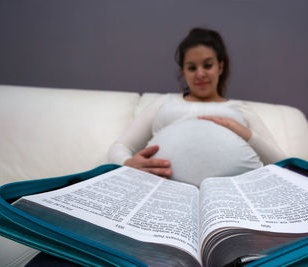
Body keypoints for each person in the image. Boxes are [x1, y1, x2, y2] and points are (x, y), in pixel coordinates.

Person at [108, 28, 287, 186]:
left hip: (235, 199)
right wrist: (127, 163)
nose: (200, 74)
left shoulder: (240, 108)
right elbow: (119, 147)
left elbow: (283, 163)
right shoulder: (165, 102)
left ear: (220, 67)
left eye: (208, 65)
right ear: (183, 73)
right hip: (161, 192)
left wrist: (243, 132)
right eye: (192, 68)